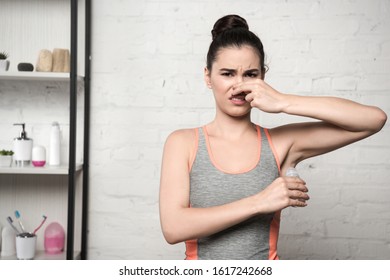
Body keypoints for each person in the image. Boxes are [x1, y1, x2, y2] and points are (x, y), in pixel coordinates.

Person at [159, 14, 387, 260]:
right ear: (208, 76)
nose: (239, 86)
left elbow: (373, 120)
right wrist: (259, 202)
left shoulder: (279, 143)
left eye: (250, 74)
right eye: (227, 73)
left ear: (262, 78)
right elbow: (173, 227)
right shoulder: (183, 143)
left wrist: (284, 102)